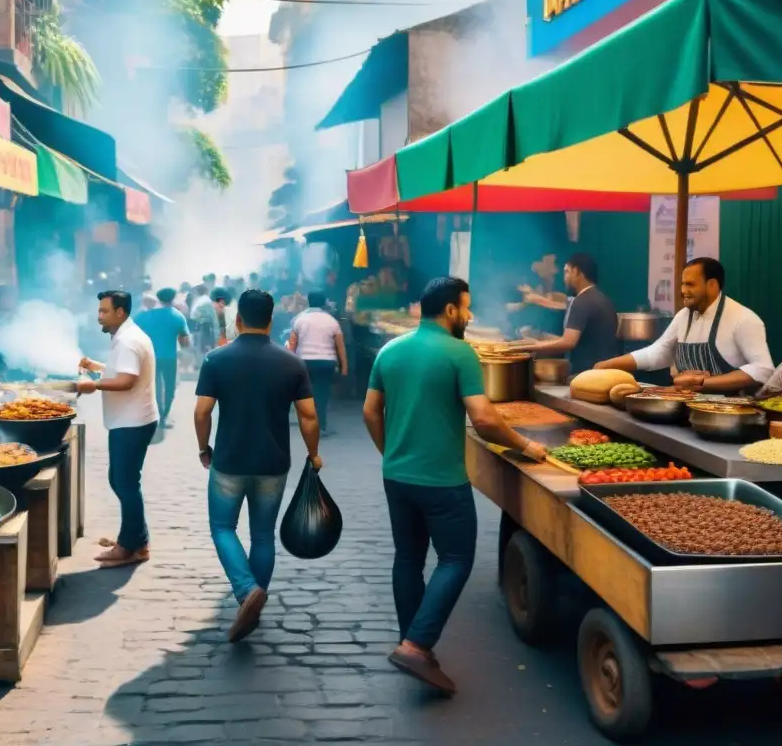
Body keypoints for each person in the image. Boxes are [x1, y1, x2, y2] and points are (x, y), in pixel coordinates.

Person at [362, 277, 547, 695]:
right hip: (443, 481)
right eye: (466, 308)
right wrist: (525, 445)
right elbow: (483, 418)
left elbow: (371, 411)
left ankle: (413, 645)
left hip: (397, 476)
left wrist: (389, 451)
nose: (470, 315)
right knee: (456, 559)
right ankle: (416, 644)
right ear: (449, 311)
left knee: (408, 558)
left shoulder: (390, 351)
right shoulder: (459, 352)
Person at [193, 289, 322, 643]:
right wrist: (314, 453)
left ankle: (247, 590)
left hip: (230, 461)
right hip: (274, 462)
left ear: (237, 320)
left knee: (222, 527)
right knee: (263, 535)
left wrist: (204, 448)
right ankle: (256, 597)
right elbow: (309, 416)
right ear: (270, 321)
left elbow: (202, 412)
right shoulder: (292, 363)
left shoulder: (216, 360)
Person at [595, 257, 774, 393]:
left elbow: (763, 369)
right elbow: (659, 352)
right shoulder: (684, 316)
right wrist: (609, 364)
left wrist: (703, 383)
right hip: (686, 409)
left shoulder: (744, 319)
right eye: (682, 284)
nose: (683, 291)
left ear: (712, 285)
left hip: (728, 415)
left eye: (690, 284)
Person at [77, 291, 158, 568]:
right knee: (121, 481)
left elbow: (126, 380)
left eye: (104, 311)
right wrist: (95, 367)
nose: (99, 316)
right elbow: (119, 370)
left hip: (132, 422)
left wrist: (93, 384)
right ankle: (139, 540)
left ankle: (127, 546)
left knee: (125, 483)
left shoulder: (127, 340)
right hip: (133, 419)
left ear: (120, 312)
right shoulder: (127, 336)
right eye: (99, 310)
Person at [520, 253, 620, 377]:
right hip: (607, 373)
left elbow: (569, 342)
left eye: (567, 272)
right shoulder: (603, 299)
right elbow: (588, 339)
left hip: (587, 375)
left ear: (576, 272)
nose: (564, 278)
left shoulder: (582, 301)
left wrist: (534, 345)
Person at [288, 291, 348, 435]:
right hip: (326, 363)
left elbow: (292, 345)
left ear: (308, 302)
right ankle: (320, 427)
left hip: (304, 362)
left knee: (305, 395)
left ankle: (306, 424)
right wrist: (344, 367)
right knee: (322, 394)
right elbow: (340, 346)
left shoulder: (299, 320)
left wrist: (288, 365)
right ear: (324, 303)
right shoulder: (331, 321)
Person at [133, 287, 191, 427]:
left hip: (149, 357)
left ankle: (153, 414)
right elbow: (185, 342)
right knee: (169, 387)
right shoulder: (177, 316)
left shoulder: (143, 316)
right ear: (173, 299)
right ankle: (164, 416)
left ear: (158, 299)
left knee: (153, 386)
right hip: (169, 358)